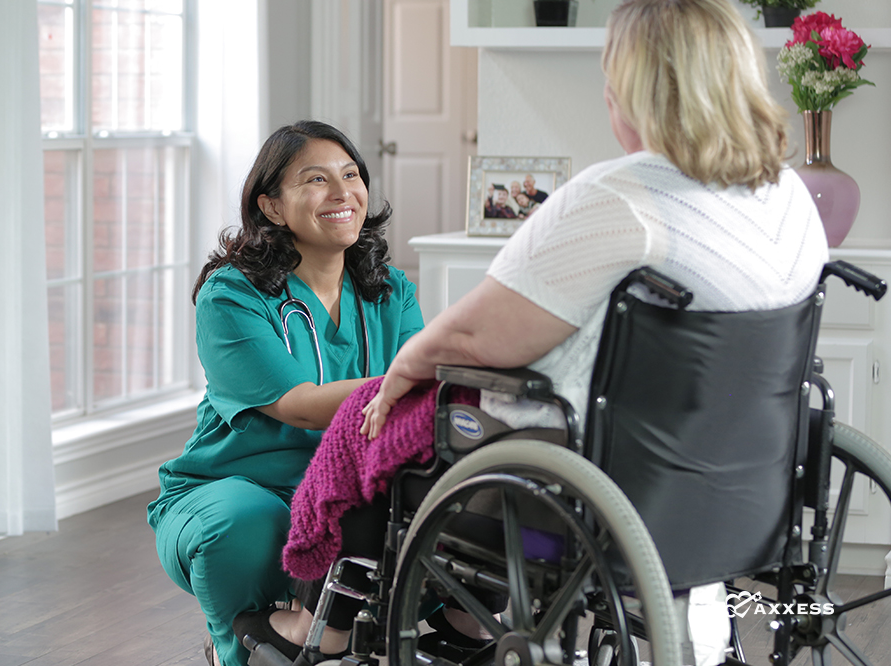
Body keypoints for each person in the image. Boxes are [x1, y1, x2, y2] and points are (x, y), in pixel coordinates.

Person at [360, 1, 828, 664]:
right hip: (754, 490)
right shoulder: (789, 195)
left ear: (628, 89)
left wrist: (408, 361)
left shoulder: (622, 195)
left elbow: (477, 339)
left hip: (613, 495)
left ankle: (322, 616)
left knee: (381, 426)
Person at [146, 120, 424, 666]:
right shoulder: (230, 294)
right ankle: (241, 647)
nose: (343, 192)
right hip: (237, 486)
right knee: (246, 523)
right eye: (317, 179)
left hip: (346, 487)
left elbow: (418, 399)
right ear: (271, 206)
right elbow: (297, 403)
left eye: (351, 175)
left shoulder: (391, 291)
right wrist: (403, 382)